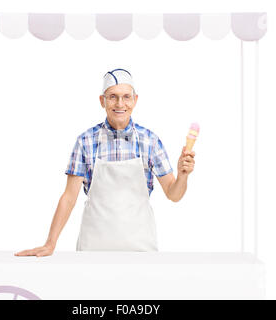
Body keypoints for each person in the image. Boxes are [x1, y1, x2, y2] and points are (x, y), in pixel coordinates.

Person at [15, 68, 195, 257]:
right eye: (112, 97)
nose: (120, 103)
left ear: (135, 100)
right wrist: (50, 244)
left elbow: (174, 194)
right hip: (93, 248)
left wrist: (182, 176)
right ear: (102, 101)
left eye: (126, 97)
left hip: (141, 249)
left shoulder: (150, 141)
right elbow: (69, 197)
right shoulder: (86, 141)